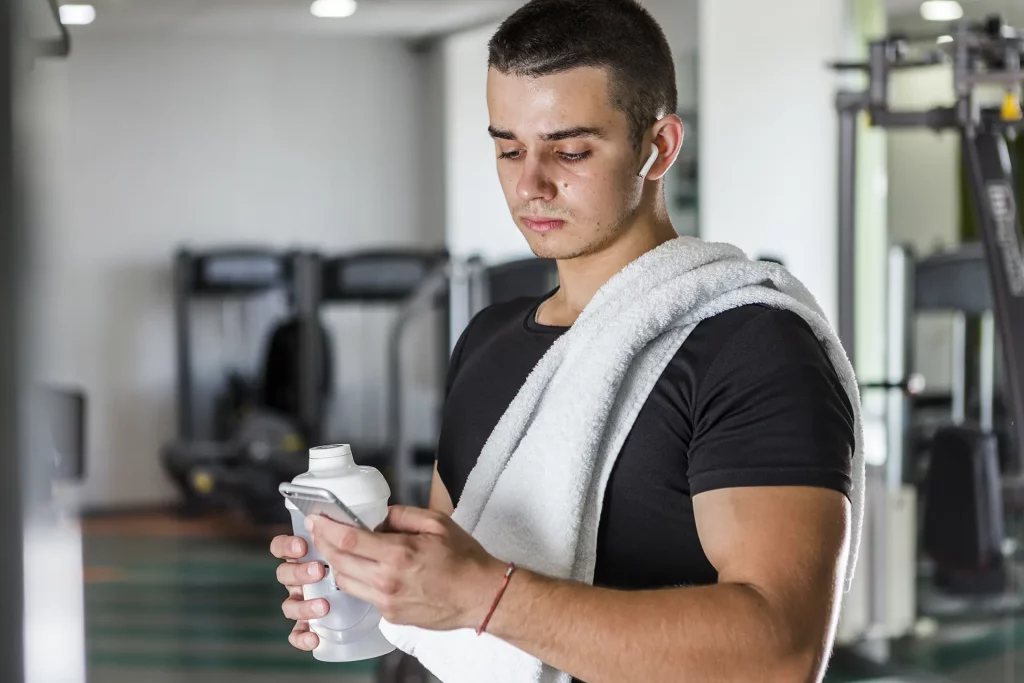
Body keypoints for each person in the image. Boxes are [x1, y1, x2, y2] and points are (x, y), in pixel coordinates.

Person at [272, 0, 855, 680]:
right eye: (509, 148)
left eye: (570, 150)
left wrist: (486, 595)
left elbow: (779, 654)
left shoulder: (751, 347)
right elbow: (455, 602)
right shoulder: (486, 340)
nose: (530, 184)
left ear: (658, 146)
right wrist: (376, 587)